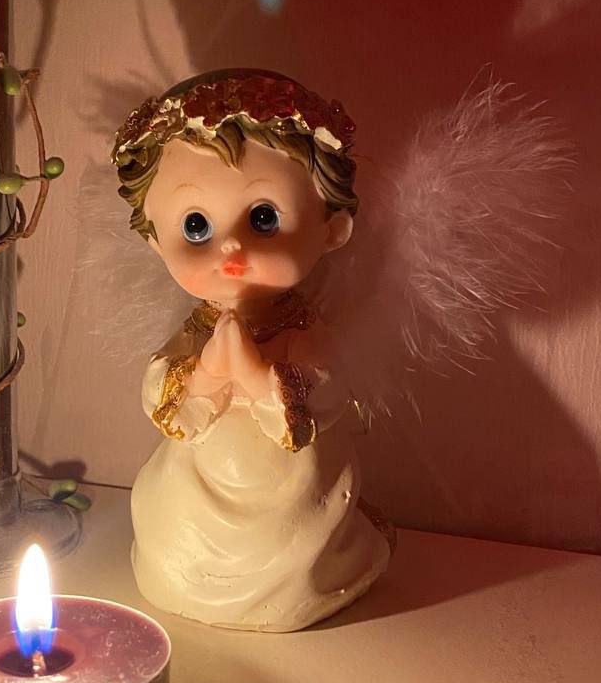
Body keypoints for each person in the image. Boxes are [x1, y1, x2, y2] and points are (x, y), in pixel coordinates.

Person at [112, 68, 393, 631]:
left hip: (292, 497)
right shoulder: (199, 330)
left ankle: (297, 587)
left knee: (299, 549)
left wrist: (259, 376)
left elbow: (325, 387)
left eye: (264, 218)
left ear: (332, 229)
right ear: (156, 242)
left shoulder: (305, 331)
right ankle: (183, 575)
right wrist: (208, 373)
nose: (231, 246)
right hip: (192, 495)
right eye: (196, 226)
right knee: (171, 531)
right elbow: (162, 395)